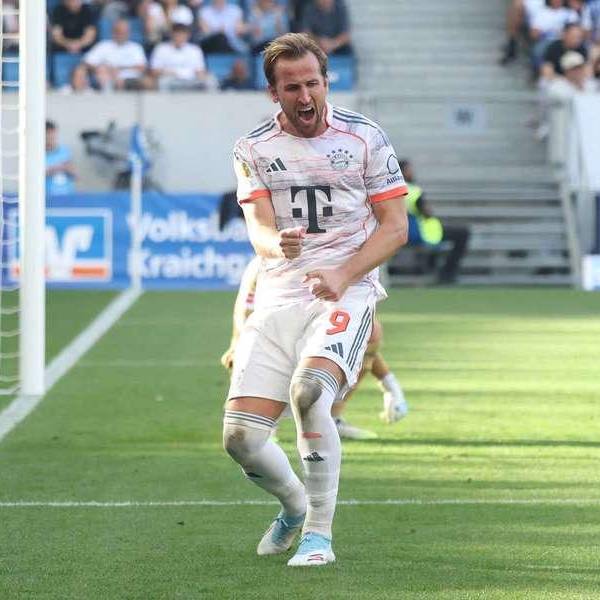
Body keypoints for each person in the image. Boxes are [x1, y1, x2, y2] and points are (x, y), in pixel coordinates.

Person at [222, 32, 408, 567]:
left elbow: (396, 227)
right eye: (292, 88)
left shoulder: (365, 137)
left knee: (309, 392)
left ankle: (319, 536)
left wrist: (344, 272)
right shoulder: (252, 148)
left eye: (312, 84)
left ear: (327, 82)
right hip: (280, 294)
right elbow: (258, 228)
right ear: (273, 93)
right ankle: (294, 505)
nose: (305, 97)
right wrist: (275, 244)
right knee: (240, 439)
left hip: (347, 290)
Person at [220, 256, 408, 440]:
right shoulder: (266, 264)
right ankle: (261, 422)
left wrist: (389, 385)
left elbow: (357, 338)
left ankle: (333, 417)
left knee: (370, 330)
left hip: (317, 338)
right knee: (248, 350)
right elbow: (244, 309)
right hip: (275, 337)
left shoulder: (338, 261)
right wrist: (236, 344)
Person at [399, 159, 470, 285]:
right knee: (463, 233)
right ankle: (447, 273)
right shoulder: (413, 191)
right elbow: (428, 212)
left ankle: (431, 267)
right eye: (409, 169)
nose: (412, 172)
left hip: (402, 233)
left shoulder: (392, 189)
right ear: (402, 172)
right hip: (423, 232)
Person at [71, 18, 148, 92]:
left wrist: (119, 69)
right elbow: (86, 62)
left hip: (132, 80)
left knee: (147, 82)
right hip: (108, 79)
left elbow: (142, 67)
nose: (122, 34)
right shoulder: (103, 46)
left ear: (129, 33)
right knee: (101, 72)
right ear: (113, 32)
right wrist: (103, 68)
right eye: (119, 31)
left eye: (124, 32)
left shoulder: (136, 47)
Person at [149, 23, 216, 90]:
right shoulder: (161, 49)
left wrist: (199, 75)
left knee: (210, 80)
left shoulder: (195, 49)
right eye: (177, 35)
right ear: (172, 35)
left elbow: (200, 70)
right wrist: (173, 73)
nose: (180, 37)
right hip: (171, 79)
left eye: (183, 35)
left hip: (191, 80)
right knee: (163, 81)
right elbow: (155, 71)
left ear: (188, 36)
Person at [46, 120, 76, 196]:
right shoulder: (36, 155)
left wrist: (69, 169)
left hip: (67, 196)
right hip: (45, 196)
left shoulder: (65, 151)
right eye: (47, 133)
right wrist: (57, 168)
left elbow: (75, 175)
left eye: (52, 133)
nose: (50, 137)